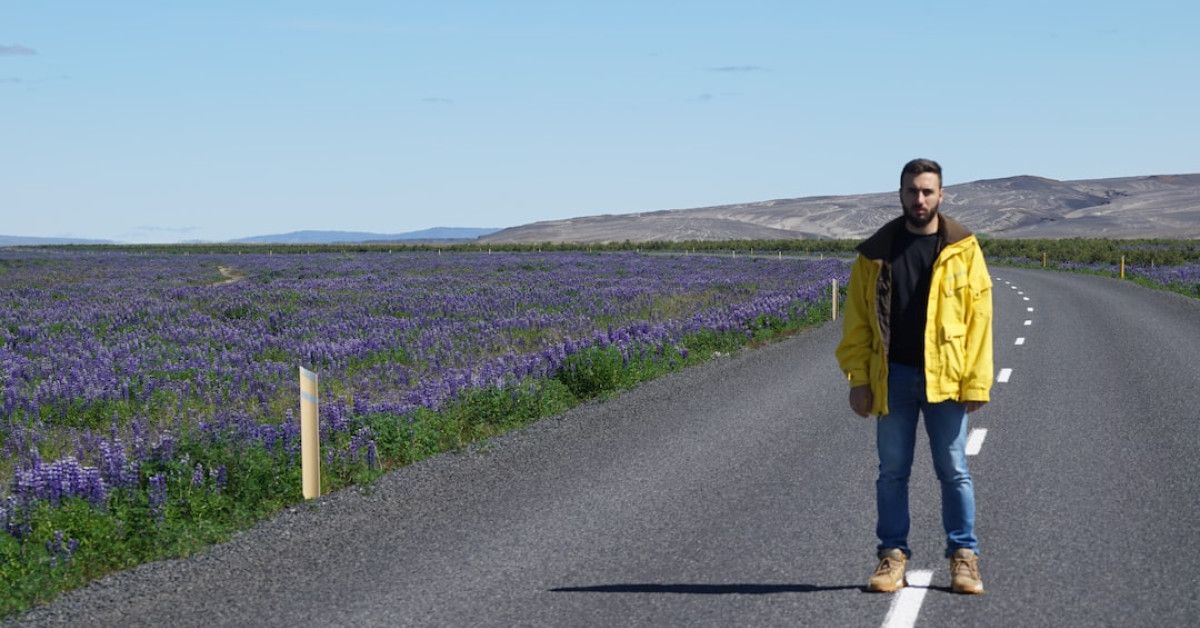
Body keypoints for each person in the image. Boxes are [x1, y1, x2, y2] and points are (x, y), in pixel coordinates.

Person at [835, 158, 993, 595]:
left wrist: (976, 381)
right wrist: (858, 380)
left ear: (941, 195)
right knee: (892, 472)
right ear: (901, 194)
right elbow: (858, 324)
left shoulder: (963, 248)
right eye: (912, 191)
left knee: (954, 469)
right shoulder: (875, 254)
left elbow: (980, 319)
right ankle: (891, 558)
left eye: (927, 191)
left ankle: (964, 559)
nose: (919, 199)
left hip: (947, 378)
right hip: (894, 378)